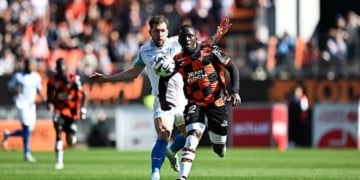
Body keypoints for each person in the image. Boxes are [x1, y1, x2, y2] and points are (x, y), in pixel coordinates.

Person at [89, 15, 231, 180]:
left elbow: (201, 46)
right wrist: (106, 78)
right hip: (162, 100)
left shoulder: (177, 42)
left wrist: (217, 36)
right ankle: (155, 174)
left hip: (185, 100)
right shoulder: (144, 51)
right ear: (150, 32)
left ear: (167, 31)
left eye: (163, 31)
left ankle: (171, 151)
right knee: (164, 133)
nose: (160, 34)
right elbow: (133, 73)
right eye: (156, 31)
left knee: (192, 136)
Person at [158, 24, 241, 180]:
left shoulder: (209, 50)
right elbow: (164, 79)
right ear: (180, 41)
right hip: (195, 103)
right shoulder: (178, 60)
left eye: (190, 36)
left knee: (219, 149)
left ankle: (218, 143)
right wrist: (163, 99)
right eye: (183, 37)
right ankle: (182, 177)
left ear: (196, 37)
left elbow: (232, 67)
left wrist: (235, 91)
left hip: (217, 102)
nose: (187, 39)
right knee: (193, 134)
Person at [47, 58, 87, 170]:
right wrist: (49, 104)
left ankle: (72, 136)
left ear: (66, 68)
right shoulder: (52, 81)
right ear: (56, 68)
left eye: (63, 67)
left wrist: (83, 110)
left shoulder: (74, 79)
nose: (61, 70)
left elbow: (85, 94)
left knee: (70, 141)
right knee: (58, 132)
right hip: (59, 110)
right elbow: (49, 97)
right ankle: (59, 161)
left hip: (72, 112)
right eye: (59, 68)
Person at [2, 58, 45, 162]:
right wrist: (14, 90)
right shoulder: (18, 76)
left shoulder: (36, 77)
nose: (30, 67)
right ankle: (27, 153)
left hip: (31, 105)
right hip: (21, 104)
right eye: (28, 65)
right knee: (26, 127)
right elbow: (8, 88)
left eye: (32, 65)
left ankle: (9, 134)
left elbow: (38, 89)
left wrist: (44, 99)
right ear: (25, 65)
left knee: (29, 130)